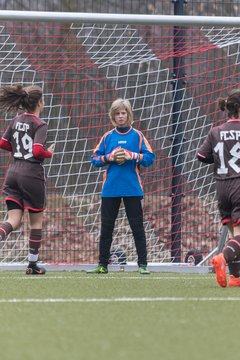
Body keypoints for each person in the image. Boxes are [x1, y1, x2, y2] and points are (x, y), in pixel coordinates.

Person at [87, 98, 155, 274]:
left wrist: (132, 155)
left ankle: (143, 265)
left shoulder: (138, 136)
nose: (121, 116)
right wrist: (108, 157)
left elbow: (150, 158)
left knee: (137, 227)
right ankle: (102, 265)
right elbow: (94, 158)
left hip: (132, 188)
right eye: (117, 113)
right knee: (106, 228)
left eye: (123, 113)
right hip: (110, 190)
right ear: (113, 116)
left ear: (129, 115)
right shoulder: (108, 137)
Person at [0, 84, 55, 275]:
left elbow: (3, 143)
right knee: (36, 222)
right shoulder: (40, 123)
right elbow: (38, 150)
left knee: (13, 219)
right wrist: (49, 153)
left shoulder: (16, 120)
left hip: (13, 172)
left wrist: (17, 150)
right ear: (40, 102)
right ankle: (32, 264)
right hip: (31, 173)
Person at [197, 89, 240, 287]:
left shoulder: (215, 131)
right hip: (239, 183)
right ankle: (223, 257)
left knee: (235, 235)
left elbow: (202, 157)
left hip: (221, 187)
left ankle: (235, 278)